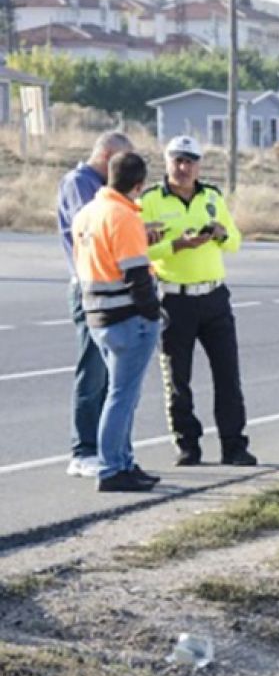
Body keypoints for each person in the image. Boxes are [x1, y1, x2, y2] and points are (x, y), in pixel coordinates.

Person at [141, 136, 257, 467]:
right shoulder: (150, 200)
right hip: (175, 298)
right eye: (178, 160)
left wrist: (219, 233)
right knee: (178, 378)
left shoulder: (211, 196)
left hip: (214, 296)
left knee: (228, 375)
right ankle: (187, 444)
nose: (184, 167)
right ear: (167, 162)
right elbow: (139, 248)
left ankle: (234, 445)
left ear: (199, 165)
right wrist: (176, 246)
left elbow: (234, 242)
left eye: (190, 161)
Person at [71, 152, 164, 492]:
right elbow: (136, 274)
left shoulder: (87, 214)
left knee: (120, 394)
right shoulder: (123, 216)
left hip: (97, 314)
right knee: (122, 396)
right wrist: (154, 313)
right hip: (128, 316)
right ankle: (112, 468)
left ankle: (124, 462)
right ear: (139, 185)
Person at [57, 132, 134, 479]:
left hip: (110, 289)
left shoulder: (104, 189)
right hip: (90, 289)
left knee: (112, 373)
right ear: (105, 157)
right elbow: (93, 230)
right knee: (93, 369)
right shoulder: (80, 183)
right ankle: (83, 449)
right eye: (120, 162)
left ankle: (109, 450)